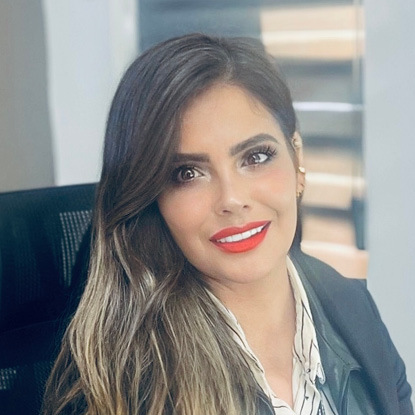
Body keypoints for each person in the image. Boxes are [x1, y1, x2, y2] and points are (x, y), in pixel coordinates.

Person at [42, 33, 413, 415]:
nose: (232, 199)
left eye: (256, 157)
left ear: (296, 158)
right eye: (187, 173)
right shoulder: (127, 385)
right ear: (153, 200)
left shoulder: (352, 308)